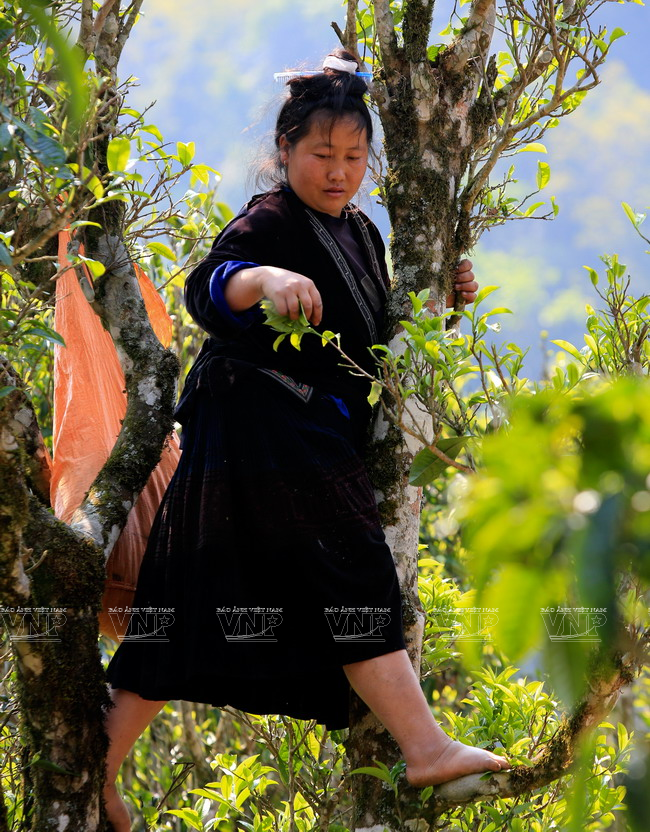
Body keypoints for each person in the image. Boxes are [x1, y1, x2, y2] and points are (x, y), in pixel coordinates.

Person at [102, 48, 510, 831]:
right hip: (263, 425)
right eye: (322, 154)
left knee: (181, 606)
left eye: (354, 157)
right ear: (284, 150)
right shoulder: (270, 220)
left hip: (298, 434)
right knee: (355, 570)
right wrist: (264, 281)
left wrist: (448, 303)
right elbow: (209, 286)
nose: (339, 171)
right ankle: (423, 747)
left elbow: (378, 344)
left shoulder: (361, 233)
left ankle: (95, 772)